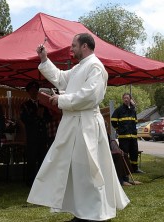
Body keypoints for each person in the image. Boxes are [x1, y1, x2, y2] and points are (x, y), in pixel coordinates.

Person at [27, 33, 130, 222]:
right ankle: (80, 212)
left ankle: (93, 214)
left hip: (87, 125)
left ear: (85, 46)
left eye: (74, 45)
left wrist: (61, 99)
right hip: (74, 124)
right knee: (74, 170)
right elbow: (60, 78)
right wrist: (44, 59)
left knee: (88, 170)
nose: (71, 48)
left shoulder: (95, 67)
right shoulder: (79, 68)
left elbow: (90, 96)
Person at [20, 80, 52, 187]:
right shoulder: (25, 105)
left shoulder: (43, 105)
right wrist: (37, 116)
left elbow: (49, 118)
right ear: (28, 92)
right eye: (32, 90)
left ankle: (41, 181)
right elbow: (25, 119)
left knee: (42, 158)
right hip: (32, 136)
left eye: (36, 90)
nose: (34, 92)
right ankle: (31, 182)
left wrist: (42, 116)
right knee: (31, 160)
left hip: (42, 136)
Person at [111, 93, 144, 173]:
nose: (126, 99)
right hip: (123, 137)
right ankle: (125, 169)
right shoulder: (119, 110)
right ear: (123, 99)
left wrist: (133, 106)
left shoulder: (133, 110)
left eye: (127, 98)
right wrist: (118, 129)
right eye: (124, 98)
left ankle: (134, 169)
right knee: (124, 154)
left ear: (130, 99)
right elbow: (113, 121)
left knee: (134, 153)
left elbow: (135, 122)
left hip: (133, 136)